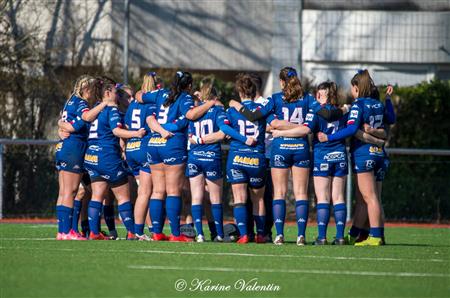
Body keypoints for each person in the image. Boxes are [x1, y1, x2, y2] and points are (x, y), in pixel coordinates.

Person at [135, 71, 218, 242]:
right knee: (173, 191)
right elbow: (191, 115)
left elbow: (139, 96)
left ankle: (156, 232)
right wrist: (210, 103)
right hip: (172, 144)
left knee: (158, 190)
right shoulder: (185, 97)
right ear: (188, 86)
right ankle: (175, 233)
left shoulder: (160, 93)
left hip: (154, 143)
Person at [317, 70, 386, 246]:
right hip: (379, 154)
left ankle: (375, 235)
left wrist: (329, 137)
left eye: (352, 87)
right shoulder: (378, 104)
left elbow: (350, 129)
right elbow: (388, 124)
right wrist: (376, 138)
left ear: (356, 88)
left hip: (364, 154)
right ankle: (356, 234)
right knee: (369, 197)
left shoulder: (358, 105)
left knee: (369, 197)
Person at [84, 77, 145, 240]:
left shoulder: (95, 108)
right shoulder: (112, 109)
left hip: (92, 156)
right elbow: (117, 132)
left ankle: (94, 232)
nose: (118, 95)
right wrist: (136, 133)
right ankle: (132, 232)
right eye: (116, 92)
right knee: (124, 197)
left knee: (97, 196)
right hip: (107, 156)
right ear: (107, 92)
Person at [55, 75, 102, 240]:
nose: (95, 93)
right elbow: (87, 117)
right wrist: (104, 104)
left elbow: (62, 120)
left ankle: (62, 231)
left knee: (63, 192)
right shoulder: (81, 103)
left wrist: (63, 125)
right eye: (93, 89)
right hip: (73, 148)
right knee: (71, 191)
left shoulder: (70, 100)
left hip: (64, 147)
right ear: (86, 89)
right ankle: (67, 231)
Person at [226, 73, 269, 244]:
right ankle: (260, 234)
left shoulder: (232, 111)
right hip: (256, 158)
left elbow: (224, 129)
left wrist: (236, 136)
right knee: (258, 199)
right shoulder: (262, 111)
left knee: (239, 198)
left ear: (240, 91)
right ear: (254, 91)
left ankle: (244, 234)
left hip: (237, 157)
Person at [123, 74, 157, 240]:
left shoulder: (134, 103)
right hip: (144, 147)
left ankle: (144, 229)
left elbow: (128, 124)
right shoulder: (151, 102)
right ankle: (138, 231)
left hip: (132, 148)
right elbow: (152, 122)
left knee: (142, 192)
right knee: (145, 192)